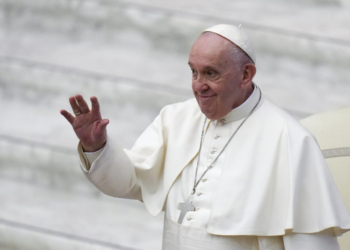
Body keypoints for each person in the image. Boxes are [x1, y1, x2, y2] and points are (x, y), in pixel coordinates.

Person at [61, 24, 350, 249]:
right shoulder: (175, 119)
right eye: (194, 72)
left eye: (211, 73)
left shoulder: (290, 139)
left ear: (246, 74)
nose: (199, 86)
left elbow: (309, 243)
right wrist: (96, 146)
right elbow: (131, 180)